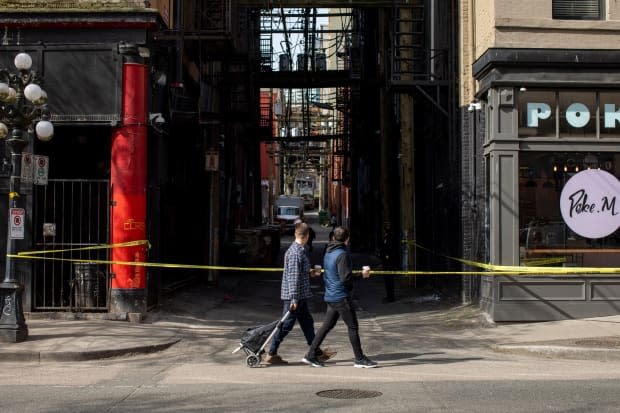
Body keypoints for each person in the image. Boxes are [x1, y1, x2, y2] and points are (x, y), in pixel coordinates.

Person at [301, 226, 378, 368]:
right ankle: (359, 359)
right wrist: (362, 274)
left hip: (331, 295)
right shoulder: (342, 254)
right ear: (347, 239)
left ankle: (310, 355)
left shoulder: (328, 251)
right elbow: (345, 278)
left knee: (326, 326)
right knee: (353, 326)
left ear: (333, 238)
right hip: (341, 296)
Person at [265, 221, 336, 365]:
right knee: (285, 325)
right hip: (295, 297)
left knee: (307, 323)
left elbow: (298, 274)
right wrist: (293, 299)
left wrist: (311, 273)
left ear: (295, 234)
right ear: (307, 235)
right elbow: (293, 278)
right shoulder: (295, 252)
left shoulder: (299, 250)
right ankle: (271, 353)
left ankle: (315, 351)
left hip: (301, 295)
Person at [380, 224, 397, 303]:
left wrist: (386, 258)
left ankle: (390, 297)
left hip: (388, 263)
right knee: (388, 280)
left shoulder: (389, 238)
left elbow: (388, 250)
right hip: (387, 262)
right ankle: (389, 296)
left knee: (389, 280)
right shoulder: (388, 238)